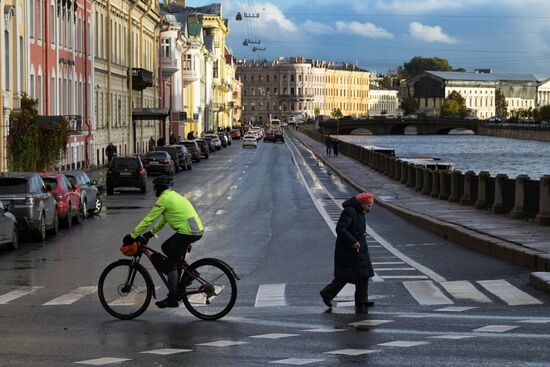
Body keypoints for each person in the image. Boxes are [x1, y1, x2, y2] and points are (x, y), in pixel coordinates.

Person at [122, 175, 204, 308]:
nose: (153, 189)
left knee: (170, 265)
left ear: (159, 187)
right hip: (192, 230)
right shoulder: (171, 196)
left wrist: (132, 235)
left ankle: (172, 298)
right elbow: (164, 219)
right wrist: (151, 233)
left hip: (188, 232)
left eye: (154, 187)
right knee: (166, 247)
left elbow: (149, 219)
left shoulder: (164, 198)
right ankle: (189, 273)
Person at [320, 192, 375, 314]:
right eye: (369, 205)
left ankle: (362, 300)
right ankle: (326, 293)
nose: (370, 207)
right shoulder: (350, 211)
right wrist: (353, 241)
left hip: (359, 247)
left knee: (363, 274)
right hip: (348, 249)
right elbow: (340, 228)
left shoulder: (360, 212)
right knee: (345, 275)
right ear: (362, 203)